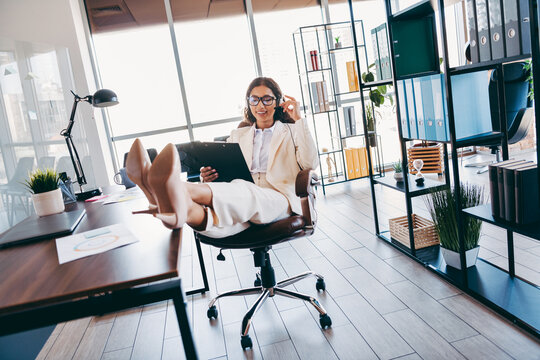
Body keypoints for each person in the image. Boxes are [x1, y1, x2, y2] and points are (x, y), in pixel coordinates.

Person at [126, 77, 318, 238]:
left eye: (267, 99)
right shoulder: (237, 136)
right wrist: (208, 177)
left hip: (279, 199)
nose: (260, 105)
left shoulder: (293, 131)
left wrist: (298, 119)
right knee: (214, 221)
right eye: (254, 99)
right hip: (240, 199)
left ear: (278, 101)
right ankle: (179, 209)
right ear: (248, 103)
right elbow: (226, 172)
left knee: (246, 194)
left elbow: (310, 163)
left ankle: (169, 189)